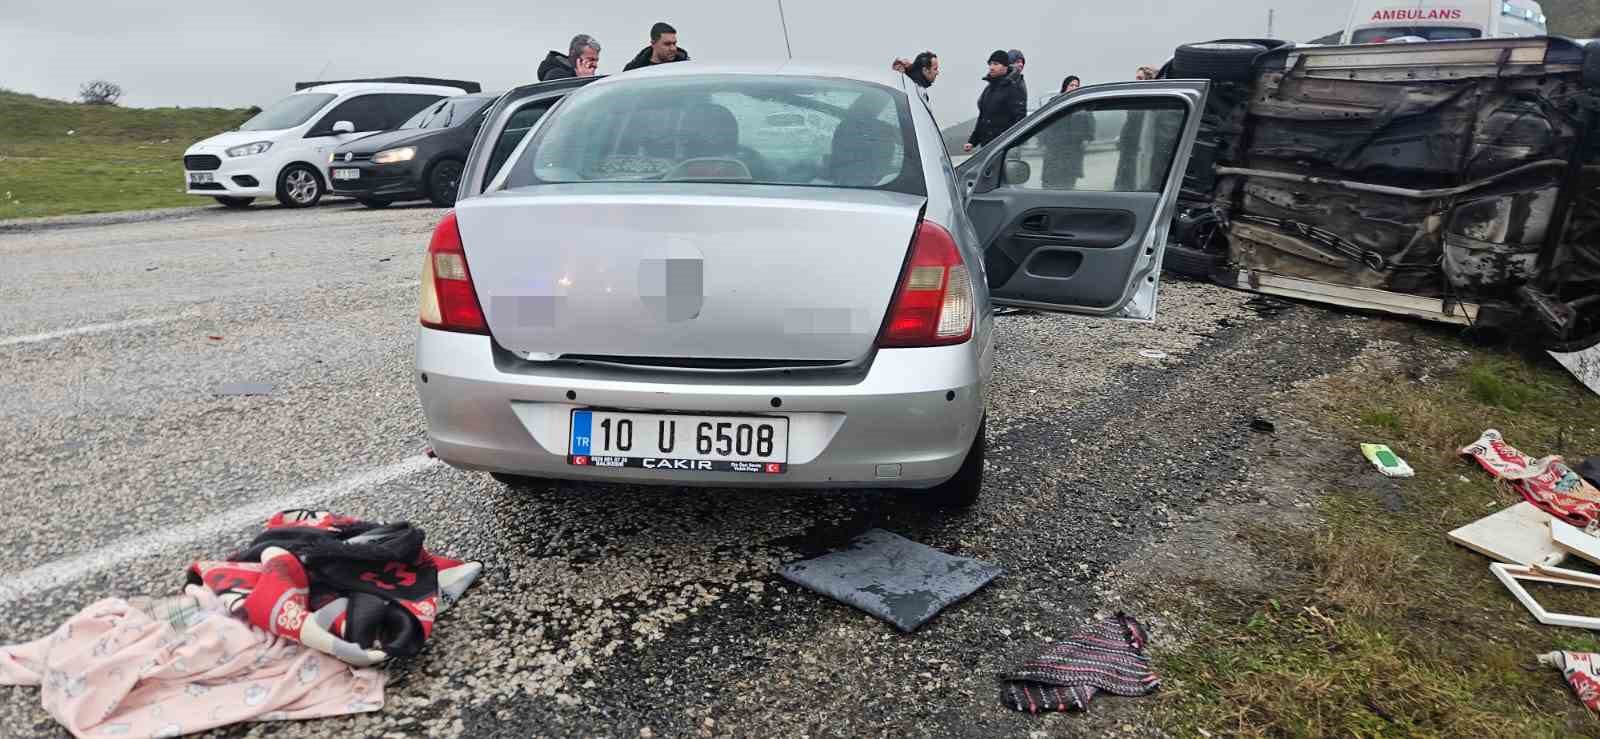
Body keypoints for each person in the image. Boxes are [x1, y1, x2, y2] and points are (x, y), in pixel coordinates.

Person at [964, 50, 1028, 153]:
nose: (991, 67)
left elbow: (1020, 120)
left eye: (996, 64)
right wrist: (972, 141)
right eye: (990, 64)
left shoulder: (1014, 87)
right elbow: (983, 118)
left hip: (1005, 149)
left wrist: (1010, 144)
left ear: (1005, 66)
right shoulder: (989, 89)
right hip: (987, 147)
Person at [1041, 75, 1092, 189]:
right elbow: (1044, 124)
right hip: (1054, 149)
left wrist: (1086, 139)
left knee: (1068, 183)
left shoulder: (1082, 105)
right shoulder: (1055, 102)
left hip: (1072, 150)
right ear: (1065, 86)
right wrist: (1043, 142)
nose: (1074, 88)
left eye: (1076, 86)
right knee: (1050, 183)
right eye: (1071, 85)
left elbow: (1089, 127)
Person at [624, 22, 690, 71]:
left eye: (674, 43)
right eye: (667, 44)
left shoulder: (684, 66)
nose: (673, 48)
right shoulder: (635, 70)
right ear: (653, 44)